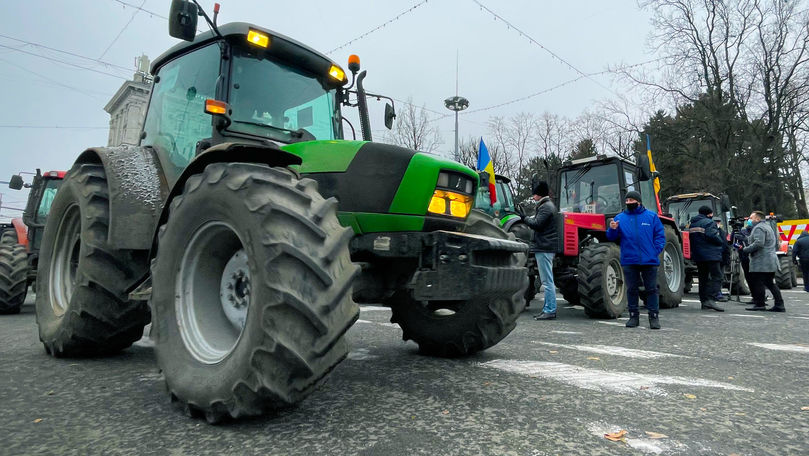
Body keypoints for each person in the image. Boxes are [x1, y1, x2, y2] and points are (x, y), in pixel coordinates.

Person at [606, 190, 666, 329]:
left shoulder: (651, 217)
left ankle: (654, 317)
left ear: (638, 201)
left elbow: (660, 236)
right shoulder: (620, 218)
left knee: (651, 289)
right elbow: (612, 237)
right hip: (629, 260)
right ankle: (633, 317)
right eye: (627, 201)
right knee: (632, 289)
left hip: (649, 260)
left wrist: (655, 251)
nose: (629, 203)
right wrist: (613, 229)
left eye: (631, 201)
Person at [523, 181, 559, 320]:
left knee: (547, 281)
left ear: (539, 194)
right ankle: (547, 309)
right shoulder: (547, 206)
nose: (533, 197)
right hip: (545, 246)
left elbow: (537, 224)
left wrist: (523, 218)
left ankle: (550, 310)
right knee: (547, 280)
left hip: (544, 247)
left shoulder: (545, 207)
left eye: (535, 194)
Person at [739, 211, 785, 312]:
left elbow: (759, 243)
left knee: (758, 282)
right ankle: (779, 304)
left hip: (762, 261)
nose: (749, 220)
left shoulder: (759, 228)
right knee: (770, 283)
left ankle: (760, 304)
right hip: (769, 260)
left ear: (757, 219)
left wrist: (745, 249)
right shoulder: (767, 226)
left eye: (751, 218)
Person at [687, 207, 725, 311]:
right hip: (711, 254)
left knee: (703, 278)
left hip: (698, 255)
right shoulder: (709, 223)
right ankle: (711, 299)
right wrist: (721, 241)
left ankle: (704, 301)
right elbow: (712, 236)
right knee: (717, 276)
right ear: (709, 214)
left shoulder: (692, 224)